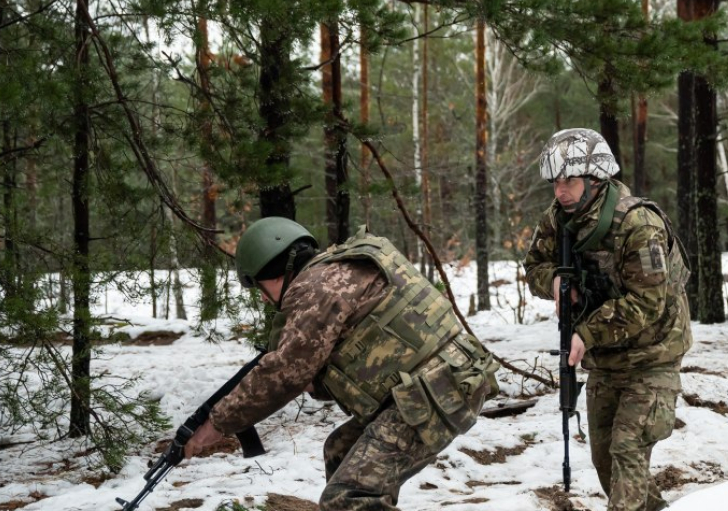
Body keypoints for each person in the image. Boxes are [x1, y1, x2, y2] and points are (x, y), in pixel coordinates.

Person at [183, 217, 500, 510]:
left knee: (347, 499)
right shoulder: (339, 269)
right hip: (448, 380)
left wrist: (215, 426)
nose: (264, 298)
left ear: (275, 273)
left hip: (434, 392)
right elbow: (363, 352)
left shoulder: (314, 289)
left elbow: (280, 377)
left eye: (259, 286)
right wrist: (315, 380)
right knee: (341, 450)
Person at [523, 128, 691, 511]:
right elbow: (534, 265)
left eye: (570, 181)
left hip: (653, 355)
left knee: (627, 449)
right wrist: (555, 281)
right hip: (605, 359)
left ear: (596, 179)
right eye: (555, 182)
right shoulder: (559, 219)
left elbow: (648, 302)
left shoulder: (638, 224)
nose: (561, 190)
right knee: (605, 463)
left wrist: (587, 332)